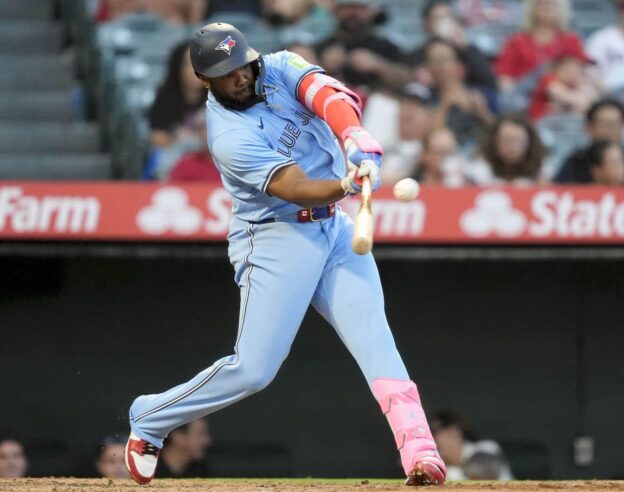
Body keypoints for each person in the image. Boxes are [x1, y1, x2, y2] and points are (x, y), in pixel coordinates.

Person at [124, 23, 446, 487]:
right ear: (205, 81)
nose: (239, 77)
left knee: (375, 339)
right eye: (225, 73)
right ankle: (151, 416)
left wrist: (353, 136)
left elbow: (328, 95)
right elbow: (293, 188)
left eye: (242, 65)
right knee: (254, 370)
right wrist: (346, 183)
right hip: (276, 237)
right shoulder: (227, 135)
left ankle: (420, 450)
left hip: (333, 229)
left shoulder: (277, 65)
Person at [315, 0, 411, 94]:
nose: (354, 13)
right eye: (349, 7)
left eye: (361, 8)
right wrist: (324, 67)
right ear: (337, 10)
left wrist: (378, 65)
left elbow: (406, 80)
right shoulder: (322, 46)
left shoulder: (385, 46)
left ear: (372, 12)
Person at [555, 99, 624, 184]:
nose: (610, 130)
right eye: (604, 124)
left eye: (615, 124)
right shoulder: (575, 163)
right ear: (589, 128)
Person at [147, 41, 208, 179]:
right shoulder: (164, 97)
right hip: (174, 157)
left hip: (207, 157)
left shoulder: (218, 97)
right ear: (178, 67)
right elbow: (156, 136)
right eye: (189, 64)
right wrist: (178, 140)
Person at [494, 0, 583, 93]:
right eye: (542, 3)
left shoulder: (571, 40)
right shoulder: (516, 42)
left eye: (552, 4)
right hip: (527, 98)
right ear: (532, 8)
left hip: (564, 98)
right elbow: (504, 77)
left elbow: (583, 71)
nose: (547, 7)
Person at [410, 0, 497, 92]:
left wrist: (465, 47)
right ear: (426, 23)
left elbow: (489, 82)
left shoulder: (466, 51)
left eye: (448, 17)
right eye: (439, 18)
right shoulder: (417, 55)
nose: (445, 22)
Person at [424, 39, 496, 148]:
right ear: (428, 68)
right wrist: (445, 105)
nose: (441, 67)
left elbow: (500, 131)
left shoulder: (479, 93)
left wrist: (483, 113)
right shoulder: (424, 97)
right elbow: (426, 137)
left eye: (445, 60)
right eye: (435, 61)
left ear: (458, 64)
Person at [429, 411, 512, 481]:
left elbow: (487, 475)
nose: (432, 437)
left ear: (453, 432)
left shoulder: (486, 447)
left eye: (435, 431)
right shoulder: (450, 470)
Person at [528, 44, 602, 121]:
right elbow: (581, 102)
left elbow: (594, 103)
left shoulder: (574, 83)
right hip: (542, 125)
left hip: (562, 125)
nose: (582, 70)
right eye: (579, 65)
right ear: (564, 65)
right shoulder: (549, 79)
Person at [378, 83, 433, 184]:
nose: (410, 111)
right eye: (407, 104)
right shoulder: (379, 149)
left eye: (417, 106)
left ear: (428, 116)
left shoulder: (433, 151)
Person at [478, 115, 548, 185]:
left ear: (529, 143)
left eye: (518, 141)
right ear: (494, 141)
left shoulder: (540, 168)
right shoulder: (482, 166)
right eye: (507, 140)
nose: (512, 146)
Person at [168, 110, 220, 182]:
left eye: (214, 126)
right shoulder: (185, 165)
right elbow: (173, 191)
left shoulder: (239, 164)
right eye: (203, 128)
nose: (209, 132)